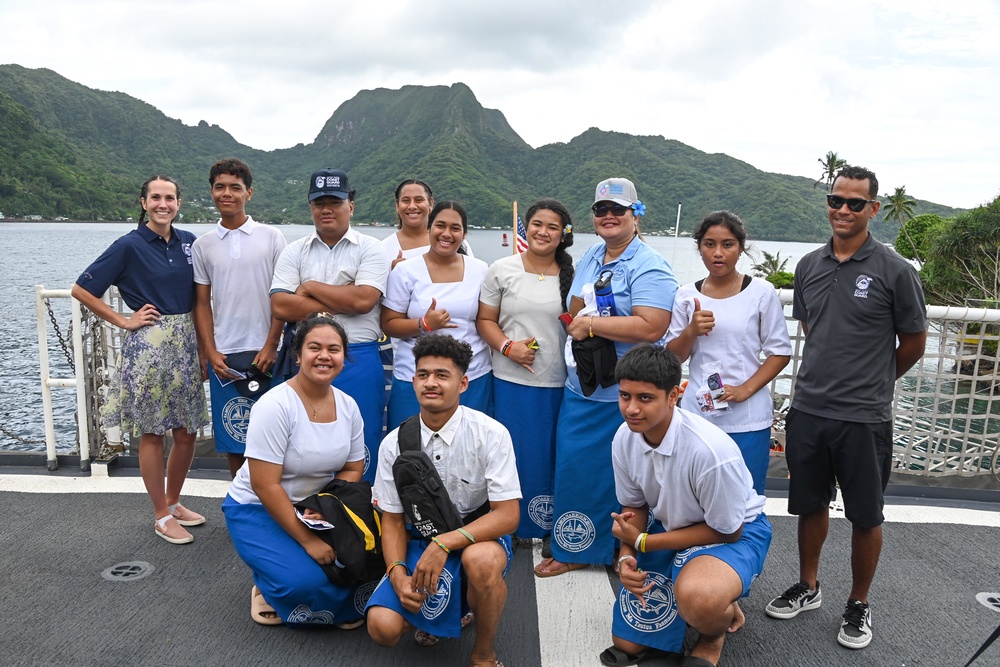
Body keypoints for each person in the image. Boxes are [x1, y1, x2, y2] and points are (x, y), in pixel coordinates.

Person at [764, 165, 927, 650]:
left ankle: (858, 602)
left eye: (855, 203)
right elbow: (813, 327)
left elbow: (914, 342)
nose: (843, 210)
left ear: (873, 209)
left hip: (864, 417)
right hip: (809, 408)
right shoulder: (809, 265)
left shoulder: (894, 270)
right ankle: (809, 586)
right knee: (809, 504)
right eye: (836, 200)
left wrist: (875, 381)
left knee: (865, 514)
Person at [536, 177, 677, 577]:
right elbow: (576, 303)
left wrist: (593, 325)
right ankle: (575, 545)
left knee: (628, 475)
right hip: (583, 383)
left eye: (619, 210)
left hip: (627, 390)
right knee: (577, 466)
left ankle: (624, 549)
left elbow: (653, 327)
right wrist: (584, 318)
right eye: (602, 210)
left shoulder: (650, 264)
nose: (609, 216)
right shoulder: (594, 254)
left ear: (635, 215)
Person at [604, 344, 771, 667]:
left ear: (675, 394)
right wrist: (627, 557)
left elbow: (729, 531)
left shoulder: (708, 452)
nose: (632, 409)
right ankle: (714, 595)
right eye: (625, 396)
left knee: (699, 599)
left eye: (645, 398)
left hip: (735, 532)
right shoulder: (624, 438)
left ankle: (712, 633)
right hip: (674, 528)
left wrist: (643, 543)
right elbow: (633, 507)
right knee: (627, 644)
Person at [366, 334, 520, 667]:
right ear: (413, 381)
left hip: (477, 537)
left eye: (441, 375)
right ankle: (452, 608)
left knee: (481, 563)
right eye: (423, 375)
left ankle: (483, 654)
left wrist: (445, 543)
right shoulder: (394, 443)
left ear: (463, 383)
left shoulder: (491, 434)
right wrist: (397, 574)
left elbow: (507, 516)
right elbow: (391, 519)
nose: (430, 383)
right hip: (420, 537)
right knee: (382, 628)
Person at [71, 175, 208, 545]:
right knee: (152, 431)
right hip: (149, 343)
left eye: (170, 198)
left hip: (185, 342)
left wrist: (203, 349)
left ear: (179, 203)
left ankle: (174, 501)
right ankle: (160, 514)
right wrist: (123, 320)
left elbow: (200, 298)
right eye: (156, 198)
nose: (163, 204)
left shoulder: (189, 243)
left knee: (187, 431)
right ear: (144, 202)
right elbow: (82, 289)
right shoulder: (129, 245)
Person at [222, 314, 367, 627]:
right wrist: (308, 540)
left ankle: (290, 571)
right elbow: (265, 485)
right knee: (304, 583)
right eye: (315, 348)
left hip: (315, 508)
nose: (325, 356)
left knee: (361, 563)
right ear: (298, 355)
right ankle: (266, 584)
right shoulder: (275, 406)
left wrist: (324, 505)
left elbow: (354, 467)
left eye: (334, 349)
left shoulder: (348, 406)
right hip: (257, 508)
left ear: (343, 358)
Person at [269, 168, 390, 483]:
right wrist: (342, 298)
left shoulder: (371, 248)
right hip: (305, 357)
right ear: (310, 206)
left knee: (362, 443)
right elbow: (281, 305)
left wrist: (308, 287)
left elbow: (364, 300)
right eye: (318, 202)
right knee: (301, 441)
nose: (326, 209)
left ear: (350, 205)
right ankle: (304, 515)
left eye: (335, 202)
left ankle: (359, 516)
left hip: (359, 357)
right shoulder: (293, 250)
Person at [666, 211, 791, 494]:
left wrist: (745, 390)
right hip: (699, 415)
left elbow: (780, 352)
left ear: (741, 248)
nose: (718, 253)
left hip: (747, 418)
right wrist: (690, 331)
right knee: (696, 493)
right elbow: (674, 357)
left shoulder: (761, 292)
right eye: (709, 244)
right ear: (699, 248)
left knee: (745, 495)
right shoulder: (687, 295)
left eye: (728, 244)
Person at [476, 199, 574, 539]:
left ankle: (548, 525)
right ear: (526, 227)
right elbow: (485, 320)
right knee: (510, 455)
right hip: (509, 382)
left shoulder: (573, 275)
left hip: (561, 385)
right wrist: (508, 347)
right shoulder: (501, 269)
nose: (543, 232)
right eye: (537, 224)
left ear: (563, 234)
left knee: (550, 456)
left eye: (552, 227)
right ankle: (508, 525)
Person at [192, 157, 287, 478]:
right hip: (225, 356)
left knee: (274, 437)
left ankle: (273, 511)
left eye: (235, 187)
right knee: (234, 436)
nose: (227, 193)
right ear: (212, 192)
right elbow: (202, 304)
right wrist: (209, 351)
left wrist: (273, 345)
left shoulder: (272, 237)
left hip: (269, 353)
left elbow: (282, 297)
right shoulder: (202, 246)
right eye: (220, 187)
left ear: (249, 193)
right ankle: (242, 506)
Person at [381, 201, 492, 432]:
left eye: (455, 228)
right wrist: (423, 324)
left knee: (470, 447)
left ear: (464, 233)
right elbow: (389, 323)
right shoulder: (406, 271)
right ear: (429, 228)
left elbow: (488, 320)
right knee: (411, 449)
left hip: (471, 375)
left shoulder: (480, 270)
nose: (447, 234)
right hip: (416, 376)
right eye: (440, 226)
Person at [382, 179, 474, 269]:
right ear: (397, 205)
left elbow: (471, 276)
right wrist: (393, 273)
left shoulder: (452, 241)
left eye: (419, 200)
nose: (412, 206)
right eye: (406, 200)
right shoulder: (384, 248)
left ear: (431, 203)